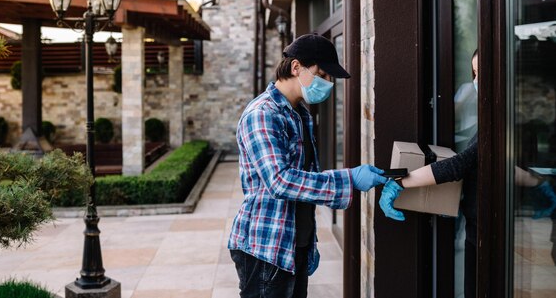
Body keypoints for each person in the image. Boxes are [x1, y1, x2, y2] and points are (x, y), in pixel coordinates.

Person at [379, 50, 556, 298]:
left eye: (482, 72)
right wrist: (540, 184)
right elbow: (501, 167)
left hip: (491, 222)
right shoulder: (491, 114)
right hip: (480, 219)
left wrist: (401, 183)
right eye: (475, 72)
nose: (477, 79)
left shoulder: (503, 120)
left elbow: (462, 164)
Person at [229, 34, 387, 298]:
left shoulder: (300, 114)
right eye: (322, 74)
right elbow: (280, 181)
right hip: (265, 248)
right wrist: (348, 179)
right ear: (296, 67)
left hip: (293, 245)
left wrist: (308, 242)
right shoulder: (262, 114)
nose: (327, 84)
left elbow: (305, 181)